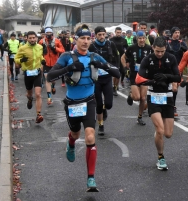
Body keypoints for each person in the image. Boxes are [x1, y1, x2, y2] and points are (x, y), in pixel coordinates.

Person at [46, 23, 120, 191]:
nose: (86, 41)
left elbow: (117, 72)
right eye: (83, 38)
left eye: (89, 38)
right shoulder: (67, 56)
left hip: (89, 101)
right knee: (75, 133)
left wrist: (104, 66)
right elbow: (50, 76)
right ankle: (71, 143)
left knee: (89, 137)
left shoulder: (94, 56)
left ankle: (91, 178)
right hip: (72, 103)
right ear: (76, 39)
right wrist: (70, 68)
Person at [135, 36, 180, 170]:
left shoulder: (171, 58)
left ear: (165, 48)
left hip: (167, 96)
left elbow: (178, 77)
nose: (159, 54)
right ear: (153, 48)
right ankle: (160, 157)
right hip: (153, 95)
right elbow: (139, 79)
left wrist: (166, 77)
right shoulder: (147, 59)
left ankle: (158, 135)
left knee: (168, 134)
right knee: (160, 130)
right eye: (157, 51)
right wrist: (153, 81)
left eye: (162, 51)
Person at [88, 26, 120, 135]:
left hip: (107, 77)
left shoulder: (110, 44)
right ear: (95, 35)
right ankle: (101, 125)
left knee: (108, 104)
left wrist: (116, 68)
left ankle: (105, 109)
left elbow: (116, 57)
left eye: (103, 34)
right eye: (99, 35)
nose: (102, 37)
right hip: (96, 78)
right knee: (98, 103)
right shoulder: (91, 46)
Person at [121, 31, 153, 125]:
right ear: (137, 39)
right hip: (134, 75)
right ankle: (131, 95)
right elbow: (123, 58)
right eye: (140, 38)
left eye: (143, 38)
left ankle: (139, 117)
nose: (142, 40)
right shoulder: (132, 48)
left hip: (145, 75)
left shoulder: (149, 48)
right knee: (137, 97)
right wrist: (125, 69)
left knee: (143, 98)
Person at [14, 31, 45, 123]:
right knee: (29, 93)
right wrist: (21, 60)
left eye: (33, 38)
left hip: (37, 73)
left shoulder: (40, 47)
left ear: (36, 38)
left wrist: (43, 60)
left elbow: (41, 57)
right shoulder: (22, 48)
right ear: (26, 38)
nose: (32, 39)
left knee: (38, 94)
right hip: (27, 73)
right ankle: (30, 99)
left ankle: (38, 115)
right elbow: (16, 58)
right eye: (30, 38)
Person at [39, 27, 65, 105]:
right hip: (46, 63)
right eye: (47, 33)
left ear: (52, 33)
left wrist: (55, 48)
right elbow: (37, 51)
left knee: (52, 80)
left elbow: (62, 50)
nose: (49, 34)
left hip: (55, 63)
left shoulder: (56, 41)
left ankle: (53, 86)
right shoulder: (42, 41)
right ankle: (49, 98)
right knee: (47, 79)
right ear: (45, 34)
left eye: (50, 33)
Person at [166, 27, 188, 116]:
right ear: (172, 33)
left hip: (179, 68)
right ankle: (169, 104)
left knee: (175, 89)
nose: (177, 34)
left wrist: (185, 50)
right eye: (175, 32)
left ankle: (173, 105)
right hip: (168, 67)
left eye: (178, 32)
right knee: (171, 87)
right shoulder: (168, 43)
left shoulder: (182, 43)